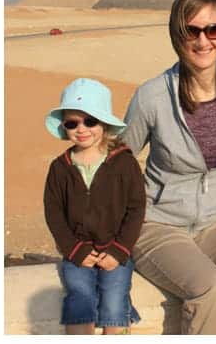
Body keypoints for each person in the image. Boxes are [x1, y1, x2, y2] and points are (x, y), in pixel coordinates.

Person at [121, 0, 216, 335]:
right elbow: (118, 164)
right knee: (212, 292)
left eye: (213, 29)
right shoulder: (153, 97)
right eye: (193, 30)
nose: (204, 41)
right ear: (178, 34)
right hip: (159, 226)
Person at [43, 78, 146, 335]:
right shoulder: (60, 168)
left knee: (114, 298)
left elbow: (136, 209)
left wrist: (119, 250)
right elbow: (53, 213)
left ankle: (120, 323)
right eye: (72, 123)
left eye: (90, 121)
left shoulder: (124, 163)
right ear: (64, 126)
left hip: (116, 249)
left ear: (104, 124)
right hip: (78, 251)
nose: (81, 129)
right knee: (79, 298)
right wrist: (74, 249)